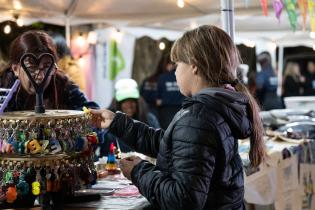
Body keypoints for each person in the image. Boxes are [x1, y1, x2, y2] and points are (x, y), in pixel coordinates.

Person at [90, 25, 266, 210]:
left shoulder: (199, 117)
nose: (174, 72)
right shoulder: (216, 107)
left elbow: (181, 200)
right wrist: (116, 122)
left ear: (194, 66)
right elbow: (176, 145)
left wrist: (138, 171)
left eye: (177, 64)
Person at [0, 30, 99, 112]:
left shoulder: (63, 86)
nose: (41, 76)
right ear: (15, 69)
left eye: (47, 66)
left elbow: (91, 112)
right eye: (32, 67)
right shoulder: (3, 86)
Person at [100, 78, 160, 155]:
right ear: (117, 103)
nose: (129, 105)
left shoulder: (150, 119)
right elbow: (105, 151)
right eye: (124, 101)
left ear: (138, 102)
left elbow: (159, 144)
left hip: (144, 164)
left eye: (132, 101)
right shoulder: (107, 122)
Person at [156, 56, 184, 129]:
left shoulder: (162, 77)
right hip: (182, 109)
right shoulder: (183, 76)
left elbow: (158, 98)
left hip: (166, 110)